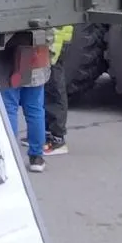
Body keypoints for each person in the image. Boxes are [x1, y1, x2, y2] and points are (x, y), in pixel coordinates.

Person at [1, 34, 52, 174]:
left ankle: (11, 156)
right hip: (36, 57)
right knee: (35, 111)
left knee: (9, 110)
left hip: (8, 59)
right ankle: (36, 157)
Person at [42, 24, 74, 156]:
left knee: (55, 88)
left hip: (56, 38)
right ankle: (48, 134)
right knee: (49, 87)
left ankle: (57, 138)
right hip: (55, 35)